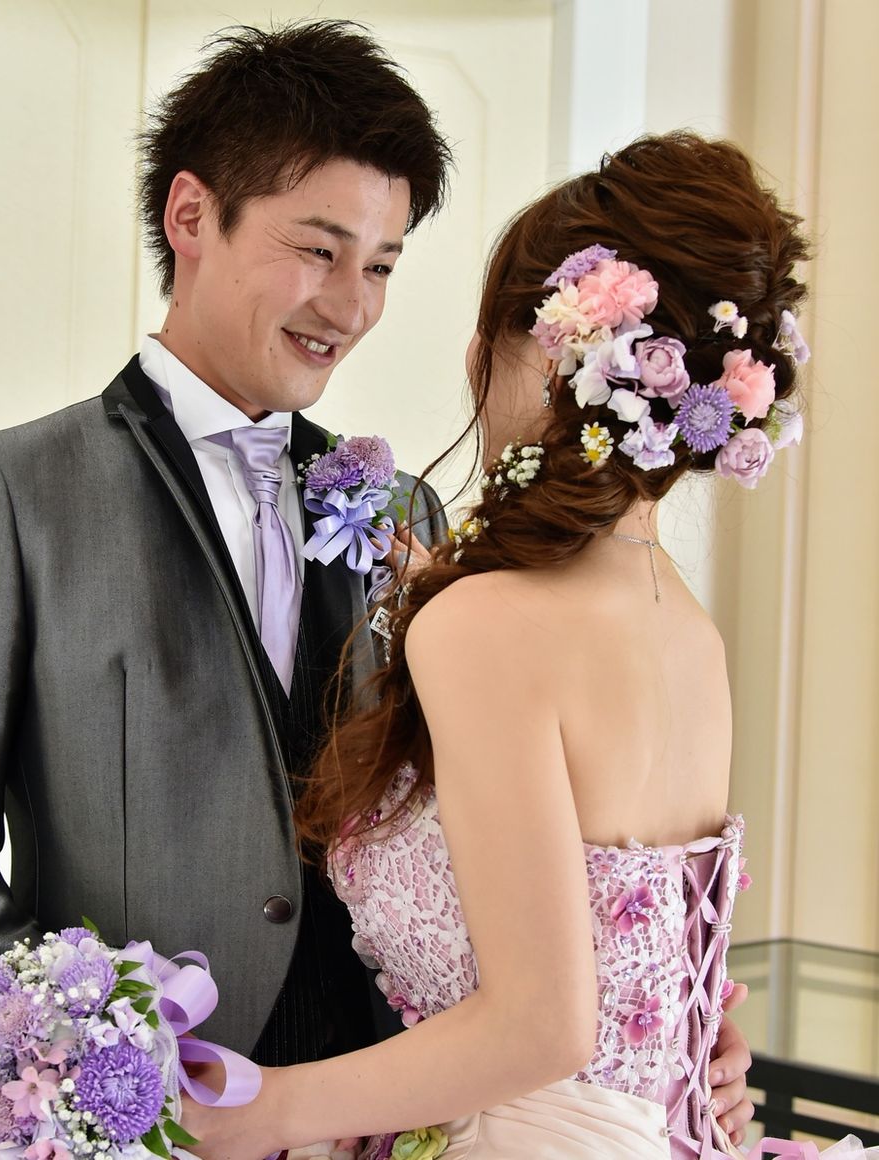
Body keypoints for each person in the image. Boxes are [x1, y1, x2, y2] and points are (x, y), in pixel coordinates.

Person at [178, 132, 832, 1159]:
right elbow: (644, 980)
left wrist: (255, 1110)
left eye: (492, 330)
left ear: (551, 350)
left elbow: (542, 1026)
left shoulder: (487, 623)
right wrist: (697, 1049)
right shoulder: (684, 625)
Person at [0, 20, 450, 1069]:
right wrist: (89, 1068)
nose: (351, 306)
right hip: (156, 1118)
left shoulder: (405, 515)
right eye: (318, 250)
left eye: (381, 265)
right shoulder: (10, 494)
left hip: (389, 1105)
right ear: (191, 215)